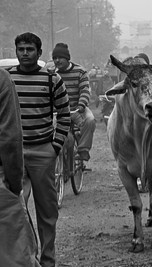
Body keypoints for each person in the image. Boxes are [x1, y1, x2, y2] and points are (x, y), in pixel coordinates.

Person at [8, 32, 71, 267]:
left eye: (29, 49)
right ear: (16, 51)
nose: (25, 53)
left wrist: (55, 146)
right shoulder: (6, 79)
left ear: (39, 53)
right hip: (13, 155)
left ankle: (47, 260)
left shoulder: (51, 79)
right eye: (21, 49)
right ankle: (23, 259)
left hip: (44, 152)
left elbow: (64, 115)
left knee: (47, 211)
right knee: (16, 210)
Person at [0, 68, 41, 266]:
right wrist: (15, 184)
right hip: (2, 185)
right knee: (16, 255)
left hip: (43, 144)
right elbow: (9, 140)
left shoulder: (52, 78)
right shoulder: (2, 79)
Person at [52, 43, 96, 161]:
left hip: (77, 108)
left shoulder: (80, 71)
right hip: (58, 111)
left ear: (67, 58)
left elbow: (85, 90)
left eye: (60, 58)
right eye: (55, 58)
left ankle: (83, 149)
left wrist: (81, 104)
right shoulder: (51, 73)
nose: (57, 61)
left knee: (90, 120)